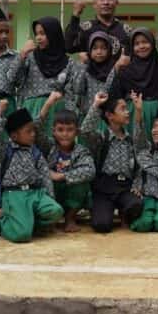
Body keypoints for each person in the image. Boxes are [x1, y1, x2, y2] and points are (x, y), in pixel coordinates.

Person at [0, 108, 64, 243]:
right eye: (28, 131)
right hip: (14, 194)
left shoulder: (34, 152)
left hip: (35, 193)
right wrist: (0, 113)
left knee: (56, 210)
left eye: (33, 130)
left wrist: (50, 197)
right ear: (14, 136)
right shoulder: (4, 150)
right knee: (22, 236)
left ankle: (29, 223)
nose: (33, 134)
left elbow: (45, 175)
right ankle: (0, 222)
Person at [82, 91, 143, 233]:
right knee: (101, 225)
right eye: (122, 109)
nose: (127, 112)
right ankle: (100, 208)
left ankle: (123, 211)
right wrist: (96, 104)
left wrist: (137, 185)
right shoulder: (101, 138)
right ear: (109, 116)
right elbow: (85, 132)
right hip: (104, 188)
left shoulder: (130, 140)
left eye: (127, 108)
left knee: (136, 205)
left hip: (125, 187)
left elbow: (139, 165)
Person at [35, 93, 94, 232]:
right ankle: (52, 217)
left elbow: (90, 170)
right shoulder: (49, 146)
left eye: (69, 130)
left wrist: (61, 176)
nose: (65, 134)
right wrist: (48, 104)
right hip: (52, 192)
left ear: (77, 132)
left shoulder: (81, 151)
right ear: (53, 131)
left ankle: (70, 218)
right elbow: (35, 130)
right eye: (60, 130)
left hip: (72, 195)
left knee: (82, 184)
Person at [12, 17, 76, 138]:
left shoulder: (68, 62)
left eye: (43, 33)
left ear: (53, 34)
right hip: (31, 110)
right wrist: (22, 55)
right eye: (36, 34)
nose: (38, 38)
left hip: (56, 112)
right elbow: (12, 79)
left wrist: (69, 119)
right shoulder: (30, 57)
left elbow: (70, 94)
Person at [117, 28, 158, 134]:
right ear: (132, 47)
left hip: (155, 118)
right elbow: (118, 98)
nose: (141, 46)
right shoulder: (125, 71)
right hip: (131, 117)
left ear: (152, 44)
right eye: (137, 43)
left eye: (145, 42)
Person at [68, 32, 126, 115]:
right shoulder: (86, 69)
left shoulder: (115, 69)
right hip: (88, 117)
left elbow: (116, 92)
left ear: (109, 50)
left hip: (110, 118)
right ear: (89, 50)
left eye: (103, 48)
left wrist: (116, 68)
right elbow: (77, 89)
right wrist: (82, 64)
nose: (99, 52)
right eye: (95, 48)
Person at [65, 0, 133, 55]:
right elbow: (69, 47)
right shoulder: (85, 29)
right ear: (94, 4)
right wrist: (75, 15)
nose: (106, 2)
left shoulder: (126, 31)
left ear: (117, 3)